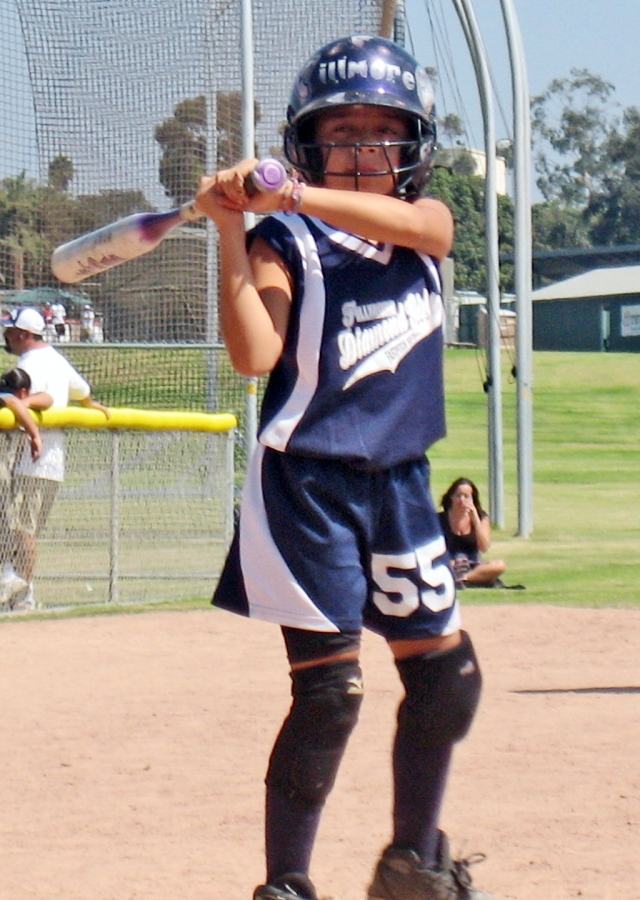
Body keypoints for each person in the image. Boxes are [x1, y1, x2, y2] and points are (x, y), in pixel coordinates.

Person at [195, 35, 495, 900]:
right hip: (308, 487)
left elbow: (425, 228)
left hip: (400, 483)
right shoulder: (286, 241)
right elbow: (256, 355)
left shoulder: (423, 226)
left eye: (382, 134)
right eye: (343, 134)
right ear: (310, 143)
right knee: (331, 696)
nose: (364, 151)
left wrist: (296, 190)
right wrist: (233, 231)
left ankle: (411, 862)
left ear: (412, 148)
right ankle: (285, 884)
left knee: (445, 679)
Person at [0, 307, 109, 610]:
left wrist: (33, 434)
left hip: (32, 459)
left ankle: (21, 594)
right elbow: (82, 390)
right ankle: (19, 593)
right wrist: (89, 403)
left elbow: (29, 401)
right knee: (17, 528)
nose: (5, 335)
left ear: (23, 334)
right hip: (43, 460)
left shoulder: (32, 365)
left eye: (9, 330)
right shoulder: (56, 358)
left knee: (21, 529)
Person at [0, 367, 43, 606]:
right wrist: (35, 434)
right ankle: (9, 575)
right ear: (23, 391)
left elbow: (46, 398)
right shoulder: (7, 397)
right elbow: (14, 403)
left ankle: (8, 575)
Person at [438, 478, 506, 589]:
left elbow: (484, 547)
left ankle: (463, 579)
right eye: (458, 496)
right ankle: (473, 580)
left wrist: (475, 519)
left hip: (473, 566)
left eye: (466, 496)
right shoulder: (439, 519)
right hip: (449, 564)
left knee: (499, 565)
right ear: (451, 497)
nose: (462, 500)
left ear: (473, 499)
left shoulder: (481, 518)